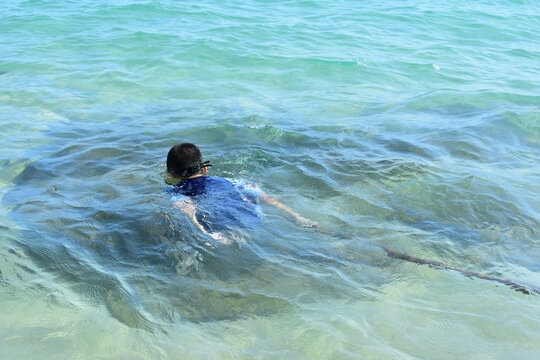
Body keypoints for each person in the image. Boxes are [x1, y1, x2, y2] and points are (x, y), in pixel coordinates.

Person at [166, 143, 316, 243]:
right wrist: (296, 216)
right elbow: (266, 198)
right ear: (205, 169)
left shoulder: (177, 190)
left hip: (221, 230)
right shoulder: (230, 181)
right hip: (254, 220)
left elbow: (186, 210)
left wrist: (207, 236)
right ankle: (301, 221)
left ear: (172, 175)